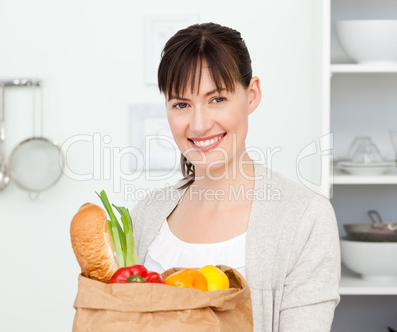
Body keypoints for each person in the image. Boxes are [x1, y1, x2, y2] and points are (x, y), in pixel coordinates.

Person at [131, 22, 340, 331]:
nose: (199, 125)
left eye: (217, 99)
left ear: (251, 95)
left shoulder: (306, 218)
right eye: (181, 104)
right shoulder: (146, 216)